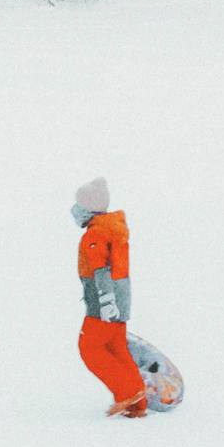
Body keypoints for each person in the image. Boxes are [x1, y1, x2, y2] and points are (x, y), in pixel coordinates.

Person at [71, 177, 148, 418]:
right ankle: (137, 404)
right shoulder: (114, 228)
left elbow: (100, 271)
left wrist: (105, 302)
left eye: (79, 204)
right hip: (121, 301)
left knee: (90, 348)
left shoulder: (95, 234)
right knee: (116, 349)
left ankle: (128, 392)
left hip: (104, 304)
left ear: (88, 207)